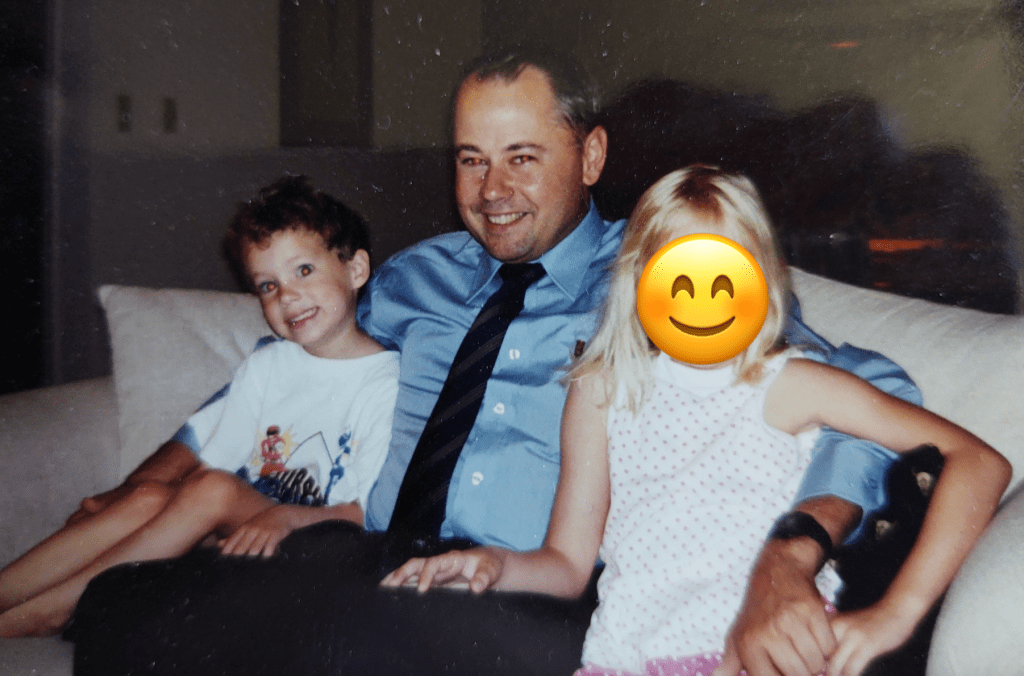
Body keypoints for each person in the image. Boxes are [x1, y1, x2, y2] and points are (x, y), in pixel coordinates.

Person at [68, 46, 919, 676]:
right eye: (472, 160)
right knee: (126, 604)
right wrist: (151, 480)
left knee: (347, 646)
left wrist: (794, 549)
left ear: (590, 156)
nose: (491, 191)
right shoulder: (419, 276)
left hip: (534, 587)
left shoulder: (655, 276)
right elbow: (277, 364)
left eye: (522, 157)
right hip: (375, 551)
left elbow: (870, 384)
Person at [381, 166, 1011, 676]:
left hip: (760, 657)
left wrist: (897, 614)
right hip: (623, 659)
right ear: (638, 279)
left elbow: (980, 462)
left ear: (762, 280)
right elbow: (568, 565)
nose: (703, 301)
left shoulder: (790, 384)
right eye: (680, 278)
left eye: (725, 276)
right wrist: (493, 564)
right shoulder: (600, 390)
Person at [0, 176, 399, 638]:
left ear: (356, 269)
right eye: (267, 285)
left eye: (304, 270)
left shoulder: (386, 382)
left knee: (215, 490)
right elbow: (211, 466)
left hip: (318, 548)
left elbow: (365, 514)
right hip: (238, 538)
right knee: (152, 495)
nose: (286, 295)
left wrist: (284, 515)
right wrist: (125, 508)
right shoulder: (268, 364)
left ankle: (53, 611)